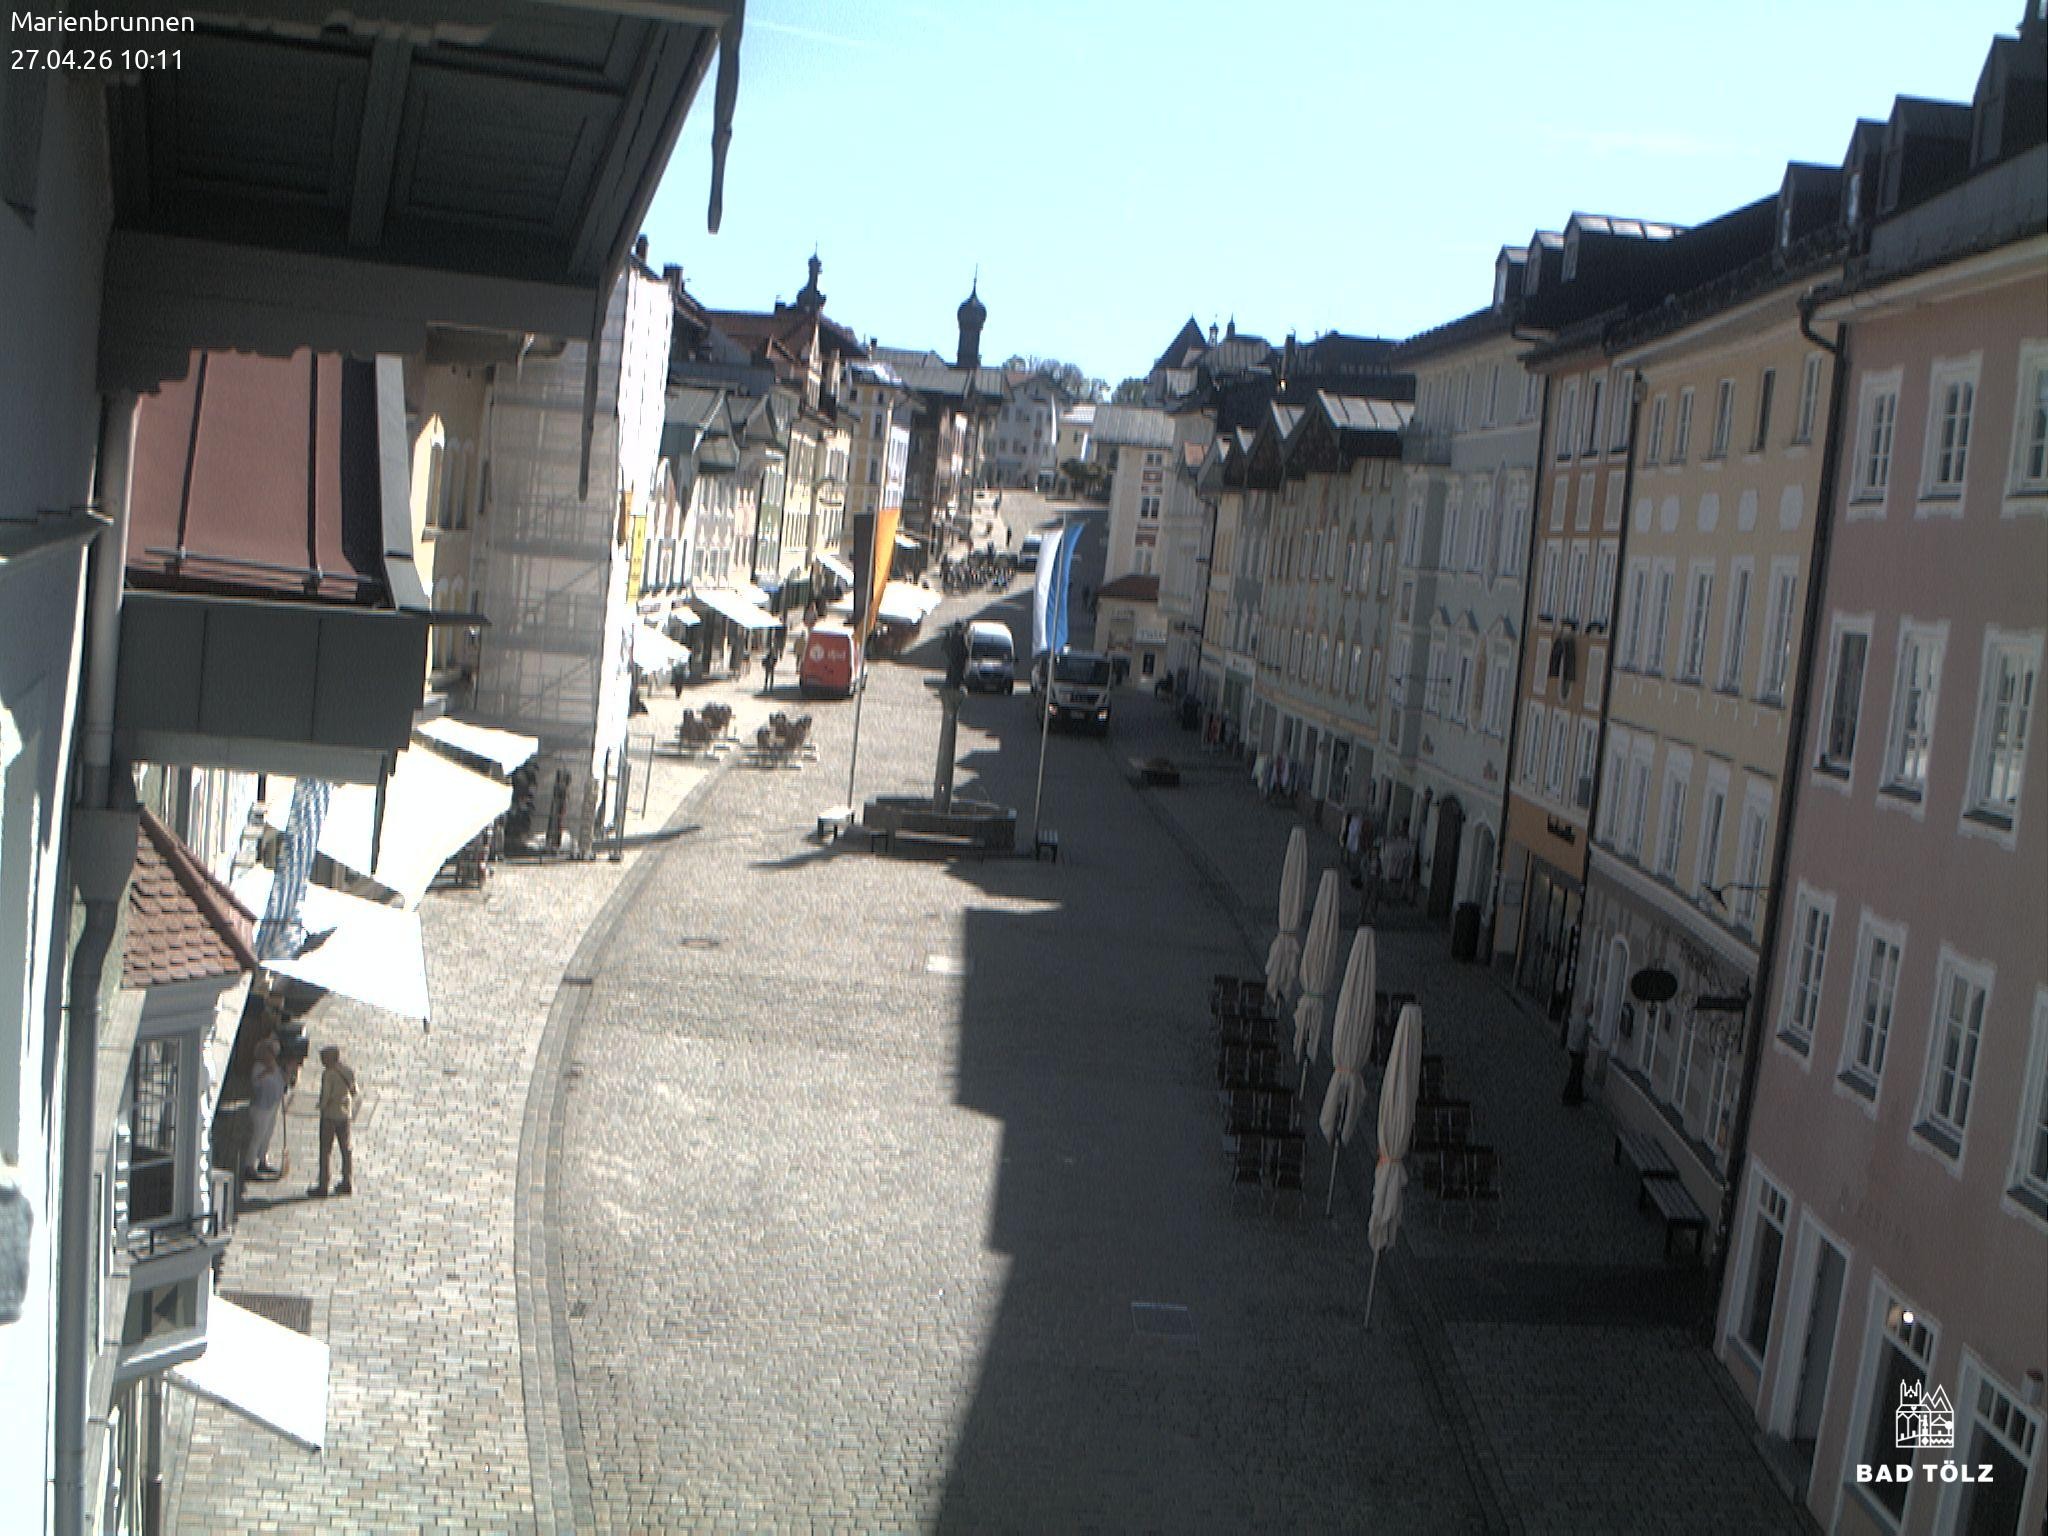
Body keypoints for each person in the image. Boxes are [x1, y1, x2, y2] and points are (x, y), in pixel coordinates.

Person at [308, 1044, 359, 1197]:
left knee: (325, 1150)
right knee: (345, 1149)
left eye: (323, 1058)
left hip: (330, 1116)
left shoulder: (328, 1074)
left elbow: (325, 1095)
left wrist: (321, 1106)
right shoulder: (348, 1071)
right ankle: (347, 1181)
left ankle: (323, 1184)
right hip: (345, 1115)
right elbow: (355, 1091)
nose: (322, 1061)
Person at [244, 1037, 286, 1180]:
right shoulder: (259, 1068)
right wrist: (267, 1072)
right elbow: (256, 1083)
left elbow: (281, 1082)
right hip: (261, 1107)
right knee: (258, 1135)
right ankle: (249, 1165)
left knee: (267, 1134)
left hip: (273, 1105)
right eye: (268, 1053)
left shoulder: (275, 1067)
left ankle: (263, 1159)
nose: (271, 1056)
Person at [1562, 1009, 1591, 1106]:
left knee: (1578, 1073)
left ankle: (1578, 1095)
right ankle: (1569, 1096)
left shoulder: (1576, 1016)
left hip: (1572, 1048)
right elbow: (1580, 1038)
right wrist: (1583, 1051)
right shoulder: (1584, 1023)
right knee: (1575, 1073)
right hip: (1578, 1051)